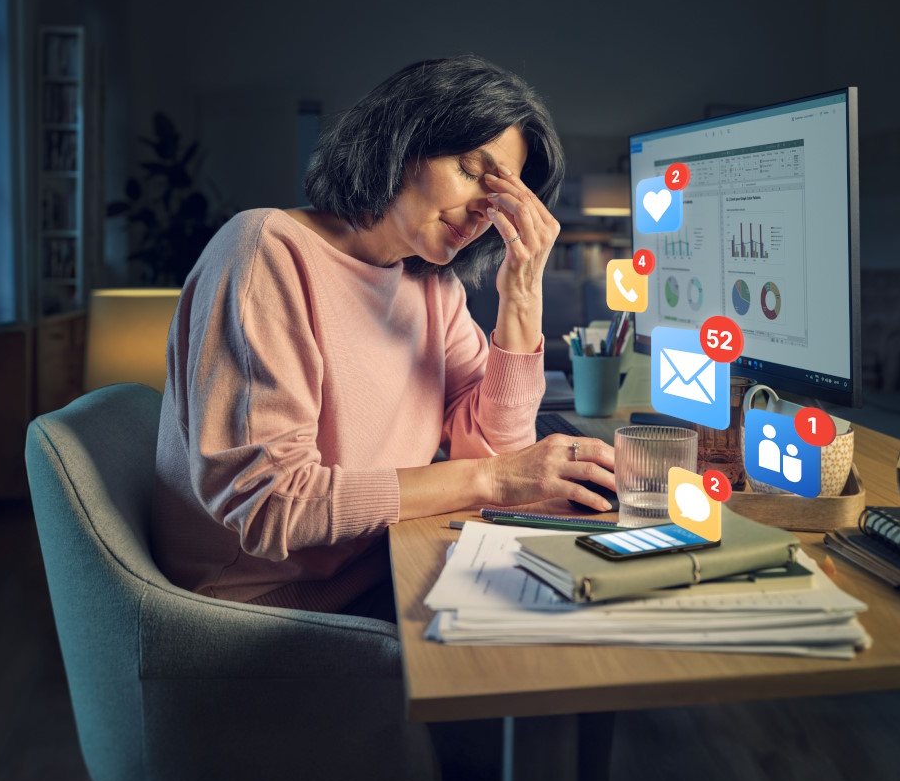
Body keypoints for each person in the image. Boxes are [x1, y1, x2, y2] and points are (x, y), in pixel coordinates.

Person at [151, 54, 617, 617]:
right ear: (402, 138)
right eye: (473, 170)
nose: (482, 210)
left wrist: (521, 294)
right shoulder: (265, 253)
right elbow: (270, 505)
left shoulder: (431, 286)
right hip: (271, 604)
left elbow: (495, 452)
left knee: (591, 600)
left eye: (500, 194)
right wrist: (491, 478)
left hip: (384, 562)